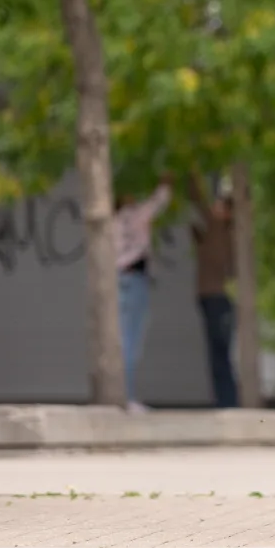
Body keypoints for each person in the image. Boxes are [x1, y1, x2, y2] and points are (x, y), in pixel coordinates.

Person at [114, 173, 172, 413]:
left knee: (121, 339)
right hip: (135, 278)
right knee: (131, 341)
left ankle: (122, 395)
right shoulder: (135, 216)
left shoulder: (111, 222)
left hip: (118, 279)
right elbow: (159, 202)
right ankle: (126, 397)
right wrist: (165, 183)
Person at [188, 173, 238, 408]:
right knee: (219, 352)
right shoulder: (220, 231)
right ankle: (225, 400)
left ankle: (227, 401)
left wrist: (190, 171)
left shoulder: (219, 228)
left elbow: (197, 199)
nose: (215, 207)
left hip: (216, 296)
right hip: (212, 295)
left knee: (219, 352)